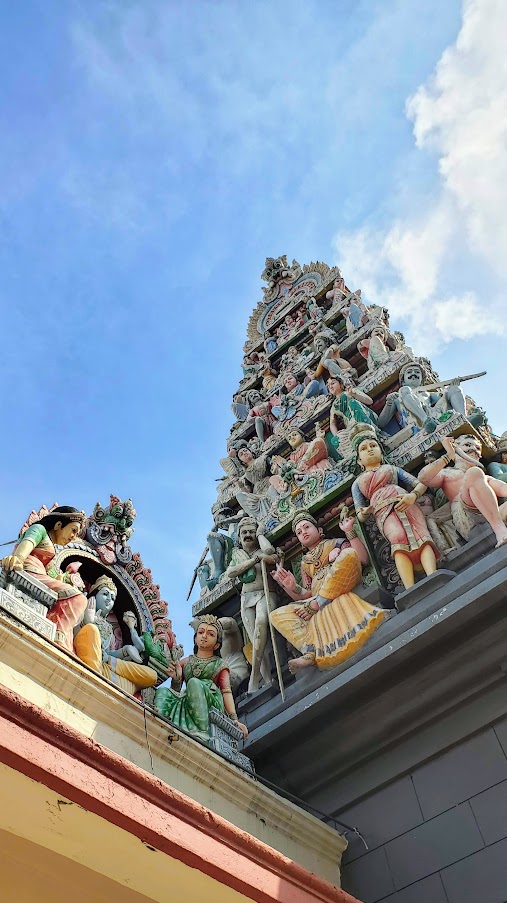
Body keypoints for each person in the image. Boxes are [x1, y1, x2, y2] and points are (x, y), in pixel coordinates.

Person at [271, 510, 386, 673]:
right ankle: (309, 649)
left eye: (306, 527)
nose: (303, 532)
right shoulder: (305, 564)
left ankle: (320, 603)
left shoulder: (336, 543)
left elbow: (362, 559)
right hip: (316, 599)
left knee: (348, 554)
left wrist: (349, 532)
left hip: (338, 587)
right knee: (276, 615)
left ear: (319, 530)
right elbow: (307, 595)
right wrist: (290, 586)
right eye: (299, 532)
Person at [351, 427, 438, 589]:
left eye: (373, 446)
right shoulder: (357, 482)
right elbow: (360, 514)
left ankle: (433, 574)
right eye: (363, 449)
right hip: (382, 511)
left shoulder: (392, 469)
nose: (369, 450)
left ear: (381, 453)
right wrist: (364, 512)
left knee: (421, 535)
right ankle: (410, 588)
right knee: (397, 539)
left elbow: (419, 484)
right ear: (359, 461)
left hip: (405, 502)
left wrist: (412, 496)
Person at [1, 505, 88, 652]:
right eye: (73, 530)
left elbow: (53, 574)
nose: (74, 537)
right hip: (29, 571)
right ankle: (58, 635)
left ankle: (60, 634)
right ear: (58, 525)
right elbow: (28, 542)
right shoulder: (39, 530)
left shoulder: (52, 550)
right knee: (79, 599)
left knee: (77, 598)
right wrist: (17, 559)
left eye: (76, 534)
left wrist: (67, 578)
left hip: (40, 576)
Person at [154, 615, 248, 742]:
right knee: (163, 692)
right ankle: (158, 724)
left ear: (217, 645)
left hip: (210, 701)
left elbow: (226, 691)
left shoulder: (220, 664)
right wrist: (176, 679)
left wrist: (234, 719)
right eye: (201, 632)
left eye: (210, 634)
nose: (204, 636)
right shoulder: (185, 662)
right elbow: (175, 691)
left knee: (194, 683)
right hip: (188, 699)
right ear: (195, 638)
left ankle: (201, 732)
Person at [418, 434, 507, 547]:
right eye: (467, 445)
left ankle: (499, 525)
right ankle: (499, 529)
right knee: (473, 473)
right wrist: (448, 455)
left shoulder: (484, 478)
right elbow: (423, 477)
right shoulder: (448, 473)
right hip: (468, 519)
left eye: (478, 448)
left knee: (476, 474)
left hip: (494, 512)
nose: (473, 449)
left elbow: (502, 488)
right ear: (456, 448)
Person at [74, 576, 157, 694]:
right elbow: (71, 633)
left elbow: (107, 655)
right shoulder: (82, 607)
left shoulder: (108, 628)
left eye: (112, 598)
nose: (109, 599)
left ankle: (105, 679)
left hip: (104, 666)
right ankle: (104, 680)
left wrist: (125, 650)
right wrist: (88, 621)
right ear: (95, 594)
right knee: (91, 629)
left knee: (151, 675)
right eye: (105, 594)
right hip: (87, 659)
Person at [224, 517, 279, 693]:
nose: (248, 535)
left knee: (261, 624)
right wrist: (253, 561)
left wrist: (261, 533)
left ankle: (254, 677)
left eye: (251, 532)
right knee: (256, 638)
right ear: (239, 537)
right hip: (247, 598)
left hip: (265, 593)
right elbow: (231, 572)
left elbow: (271, 552)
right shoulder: (238, 556)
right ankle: (267, 679)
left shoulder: (262, 549)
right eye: (244, 533)